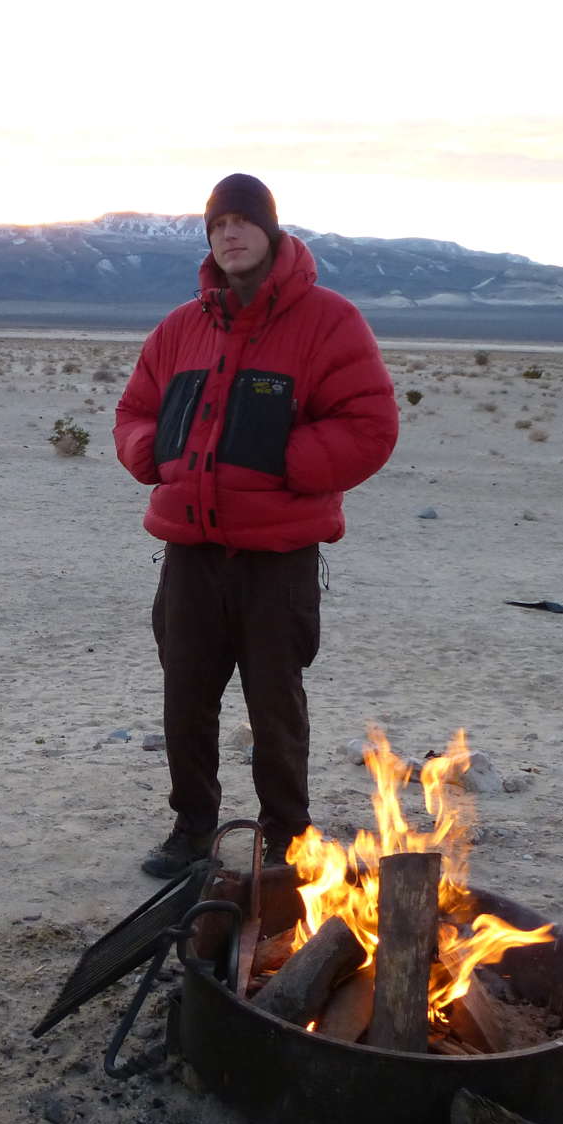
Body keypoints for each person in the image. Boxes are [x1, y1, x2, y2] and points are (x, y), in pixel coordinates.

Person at [114, 174, 399, 878]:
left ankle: (287, 834)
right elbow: (134, 410)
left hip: (278, 556)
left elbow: (370, 424)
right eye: (217, 225)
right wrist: (154, 456)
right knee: (185, 696)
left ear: (269, 230)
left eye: (242, 220)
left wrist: (283, 462)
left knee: (275, 702)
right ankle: (193, 828)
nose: (229, 234)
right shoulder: (180, 328)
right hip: (191, 552)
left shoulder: (327, 321)